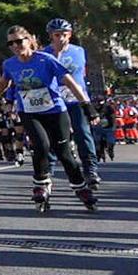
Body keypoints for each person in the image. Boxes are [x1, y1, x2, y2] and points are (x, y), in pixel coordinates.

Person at [0, 25, 97, 213]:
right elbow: (4, 83)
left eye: (19, 41)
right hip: (30, 112)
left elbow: (70, 82)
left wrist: (87, 106)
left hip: (55, 111)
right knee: (40, 145)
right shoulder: (9, 64)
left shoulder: (45, 59)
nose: (16, 46)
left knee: (64, 153)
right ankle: (40, 185)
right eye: (11, 43)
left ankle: (81, 188)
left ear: (29, 40)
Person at [45, 18, 99, 185]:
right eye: (57, 35)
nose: (61, 38)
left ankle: (90, 168)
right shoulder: (44, 54)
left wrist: (88, 104)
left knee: (83, 131)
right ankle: (48, 169)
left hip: (76, 97)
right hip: (54, 99)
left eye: (64, 34)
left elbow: (80, 76)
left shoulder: (78, 51)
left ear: (70, 35)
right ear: (51, 36)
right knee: (52, 135)